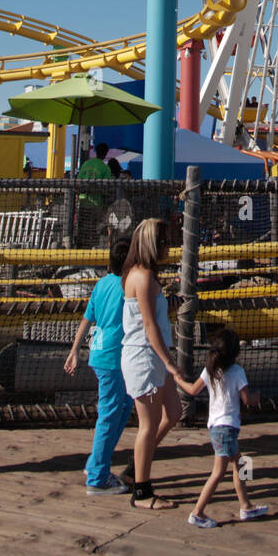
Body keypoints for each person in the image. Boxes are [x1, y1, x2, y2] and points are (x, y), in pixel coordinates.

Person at [175, 328, 267, 528]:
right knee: (218, 472)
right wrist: (257, 397)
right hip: (227, 428)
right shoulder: (238, 372)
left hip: (218, 427)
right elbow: (247, 400)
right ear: (236, 352)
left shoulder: (210, 370)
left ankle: (246, 505)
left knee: (242, 463)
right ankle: (197, 512)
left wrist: (178, 380)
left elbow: (192, 390)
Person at [64, 233, 133, 493]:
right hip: (113, 358)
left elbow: (87, 317)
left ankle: (96, 463)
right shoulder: (127, 287)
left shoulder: (103, 284)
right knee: (109, 415)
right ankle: (97, 478)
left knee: (122, 409)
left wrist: (74, 350)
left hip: (103, 354)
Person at [120, 218, 181, 511]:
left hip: (154, 355)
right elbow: (148, 325)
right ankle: (142, 492)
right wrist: (170, 364)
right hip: (144, 357)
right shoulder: (141, 277)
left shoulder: (149, 277)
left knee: (174, 412)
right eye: (164, 242)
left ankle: (136, 467)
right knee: (148, 424)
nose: (169, 247)